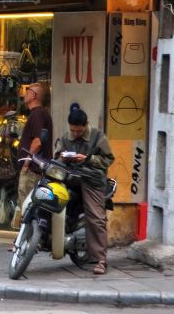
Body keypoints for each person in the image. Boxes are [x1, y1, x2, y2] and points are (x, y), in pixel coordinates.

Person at [56, 102, 114, 275]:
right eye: (73, 130)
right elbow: (57, 155)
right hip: (70, 176)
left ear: (86, 124)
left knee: (96, 217)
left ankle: (100, 260)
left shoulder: (98, 136)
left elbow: (108, 160)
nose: (75, 134)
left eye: (78, 131)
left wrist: (87, 159)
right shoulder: (66, 137)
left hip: (91, 179)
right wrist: (62, 157)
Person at [12, 81, 52, 229]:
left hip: (32, 169)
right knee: (26, 205)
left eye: (27, 90)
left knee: (27, 206)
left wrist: (27, 164)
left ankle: (26, 242)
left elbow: (37, 141)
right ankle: (23, 241)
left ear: (34, 95)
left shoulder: (38, 114)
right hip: (33, 168)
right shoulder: (39, 113)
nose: (25, 92)